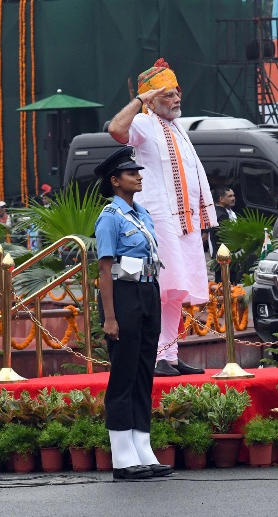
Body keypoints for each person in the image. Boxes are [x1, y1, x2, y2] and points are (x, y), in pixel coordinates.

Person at [108, 57, 216, 377]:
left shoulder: (177, 128)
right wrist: (140, 99)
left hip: (184, 222)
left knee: (174, 292)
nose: (176, 99)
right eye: (168, 94)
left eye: (177, 92)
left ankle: (168, 355)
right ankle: (151, 355)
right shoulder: (143, 123)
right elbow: (115, 129)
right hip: (157, 220)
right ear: (152, 99)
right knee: (155, 289)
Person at [93, 146, 172, 481]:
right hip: (123, 295)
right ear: (115, 181)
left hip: (148, 290)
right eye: (131, 173)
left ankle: (142, 447)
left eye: (138, 172)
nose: (139, 177)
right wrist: (110, 318)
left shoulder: (143, 214)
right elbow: (105, 270)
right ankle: (122, 454)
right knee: (124, 373)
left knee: (143, 371)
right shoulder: (110, 217)